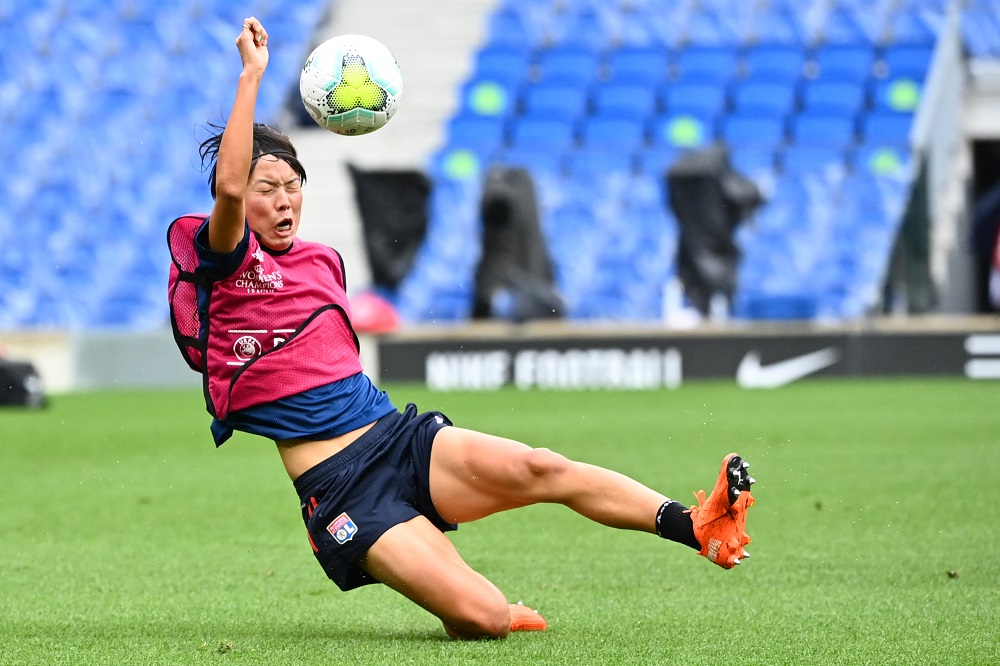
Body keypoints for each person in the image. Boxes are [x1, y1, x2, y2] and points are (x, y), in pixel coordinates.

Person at [166, 17, 756, 641]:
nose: (284, 200)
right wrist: (253, 76)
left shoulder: (319, 261)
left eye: (293, 186)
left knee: (543, 466)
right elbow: (229, 186)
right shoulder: (225, 257)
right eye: (267, 190)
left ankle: (695, 525)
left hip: (398, 440)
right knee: (483, 619)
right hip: (342, 491)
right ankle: (478, 602)